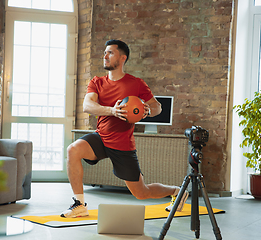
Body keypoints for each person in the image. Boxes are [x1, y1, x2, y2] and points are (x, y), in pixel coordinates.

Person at [60, 39, 188, 218]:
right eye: (104, 52)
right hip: (101, 138)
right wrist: (112, 110)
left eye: (110, 53)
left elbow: (158, 107)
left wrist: (147, 111)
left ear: (122, 58)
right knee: (73, 149)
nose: (105, 56)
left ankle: (177, 191)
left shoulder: (136, 84)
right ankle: (79, 204)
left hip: (122, 144)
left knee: (141, 193)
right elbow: (87, 105)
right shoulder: (97, 82)